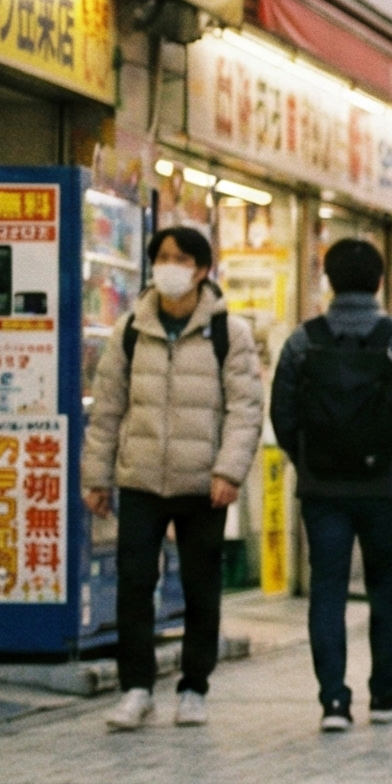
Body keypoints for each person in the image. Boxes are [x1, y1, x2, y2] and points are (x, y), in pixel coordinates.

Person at [83, 226, 265, 731]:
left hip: (203, 483)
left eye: (181, 259)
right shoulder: (130, 329)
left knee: (201, 587)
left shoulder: (229, 332)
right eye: (162, 257)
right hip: (141, 478)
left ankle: (194, 687)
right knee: (135, 584)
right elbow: (108, 409)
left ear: (202, 270)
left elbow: (246, 409)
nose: (170, 267)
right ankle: (136, 689)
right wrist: (97, 477)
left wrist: (229, 470)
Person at [269, 237, 392, 733]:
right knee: (386, 588)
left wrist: (305, 459)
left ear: (328, 279)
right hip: (385, 486)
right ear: (380, 282)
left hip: (323, 488)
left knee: (327, 589)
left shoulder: (303, 341)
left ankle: (333, 703)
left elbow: (282, 412)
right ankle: (384, 695)